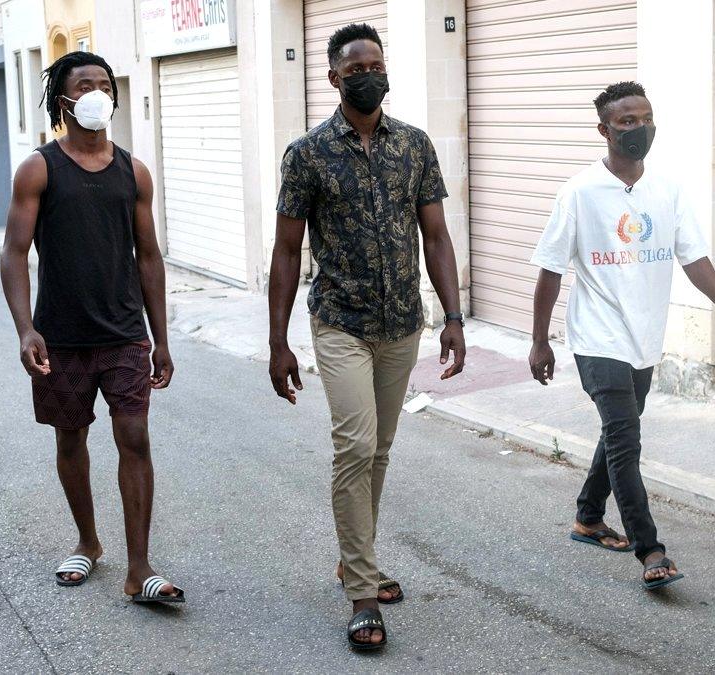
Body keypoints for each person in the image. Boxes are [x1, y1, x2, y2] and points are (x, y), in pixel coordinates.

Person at [267, 23, 466, 650]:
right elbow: (285, 251)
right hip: (341, 323)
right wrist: (278, 342)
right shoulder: (307, 154)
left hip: (402, 324)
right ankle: (361, 593)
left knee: (378, 450)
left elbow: (435, 235)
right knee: (354, 446)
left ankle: (358, 558)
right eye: (355, 69)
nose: (368, 75)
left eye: (375, 65)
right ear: (333, 78)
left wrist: (454, 318)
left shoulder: (414, 146)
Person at [528, 81, 715, 590]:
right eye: (626, 121)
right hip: (596, 338)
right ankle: (651, 550)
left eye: (645, 118)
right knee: (627, 441)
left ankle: (588, 516)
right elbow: (550, 270)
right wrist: (540, 340)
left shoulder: (666, 189)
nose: (638, 128)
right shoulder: (579, 191)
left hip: (644, 338)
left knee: (617, 433)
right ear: (604, 130)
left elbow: (692, 254)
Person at [0, 51, 183, 605]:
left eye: (104, 83)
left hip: (125, 333)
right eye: (86, 84)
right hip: (62, 336)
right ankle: (87, 541)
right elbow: (13, 251)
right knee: (71, 437)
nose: (99, 92)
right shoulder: (40, 168)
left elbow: (149, 258)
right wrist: (26, 329)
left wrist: (161, 339)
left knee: (134, 437)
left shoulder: (134, 171)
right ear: (65, 98)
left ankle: (140, 568)